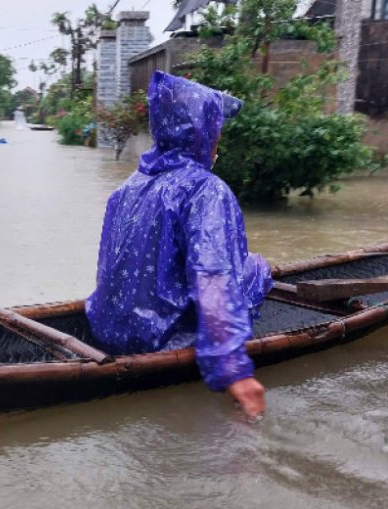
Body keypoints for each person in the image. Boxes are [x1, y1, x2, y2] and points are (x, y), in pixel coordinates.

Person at [86, 71, 272, 419]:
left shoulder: (127, 187)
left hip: (108, 329)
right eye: (216, 130)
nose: (218, 141)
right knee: (256, 268)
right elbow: (214, 277)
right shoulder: (206, 190)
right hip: (161, 341)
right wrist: (236, 374)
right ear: (201, 133)